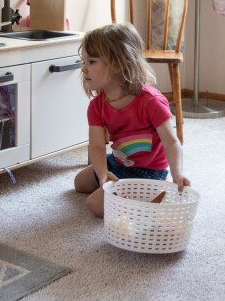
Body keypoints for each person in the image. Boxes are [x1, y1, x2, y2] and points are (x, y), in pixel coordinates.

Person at [74, 23, 190, 217]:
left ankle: (152, 196)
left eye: (92, 62)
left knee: (94, 205)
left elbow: (171, 141)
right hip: (119, 164)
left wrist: (177, 173)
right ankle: (136, 196)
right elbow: (96, 147)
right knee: (80, 183)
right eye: (83, 61)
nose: (84, 69)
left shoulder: (150, 101)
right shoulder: (97, 106)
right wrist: (103, 173)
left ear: (118, 64)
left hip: (149, 172)